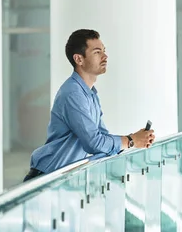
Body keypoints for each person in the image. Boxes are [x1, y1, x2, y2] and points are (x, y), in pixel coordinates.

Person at [23, 29, 155, 182]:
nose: (105, 56)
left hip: (62, 179)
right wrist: (131, 140)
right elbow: (95, 143)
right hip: (46, 179)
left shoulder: (90, 94)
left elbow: (102, 139)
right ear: (79, 59)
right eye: (97, 52)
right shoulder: (73, 94)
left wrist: (132, 140)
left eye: (104, 51)